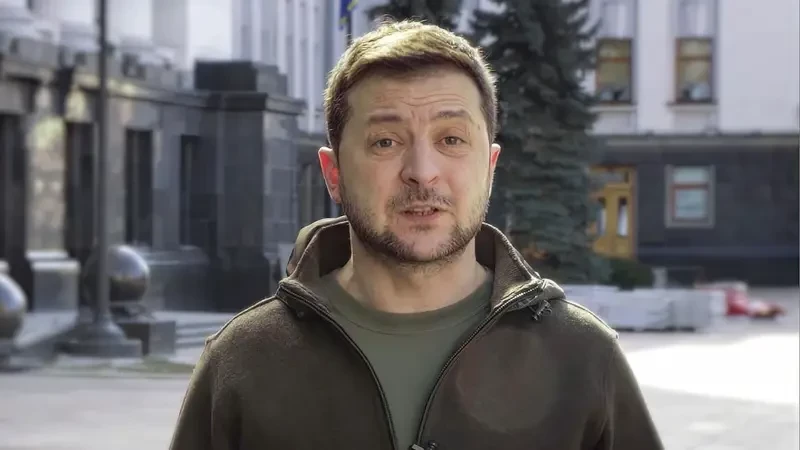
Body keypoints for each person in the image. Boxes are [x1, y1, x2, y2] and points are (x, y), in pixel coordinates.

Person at [169, 20, 663, 450]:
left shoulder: (582, 356)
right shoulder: (244, 361)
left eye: (452, 139)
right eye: (385, 141)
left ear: (489, 167)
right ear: (334, 174)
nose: (422, 172)